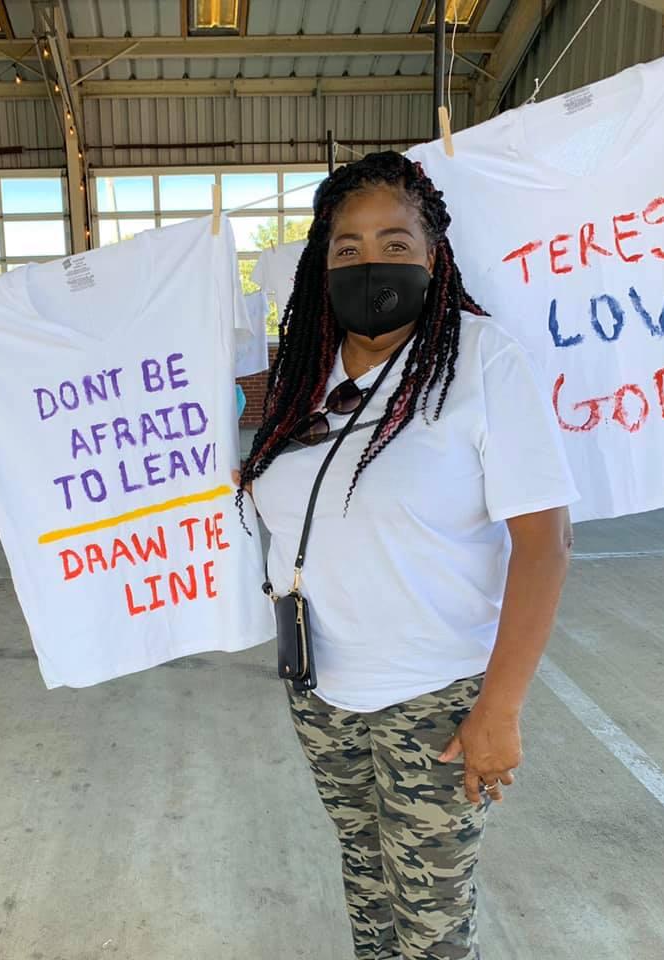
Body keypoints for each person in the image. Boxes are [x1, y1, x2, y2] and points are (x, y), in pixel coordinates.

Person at [236, 152, 578, 960]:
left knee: (429, 920)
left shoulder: (481, 361)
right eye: (346, 249)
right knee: (366, 878)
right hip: (321, 687)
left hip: (437, 700)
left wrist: (500, 707)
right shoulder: (302, 376)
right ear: (322, 267)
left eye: (394, 242)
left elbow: (545, 541)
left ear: (434, 257)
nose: (370, 262)